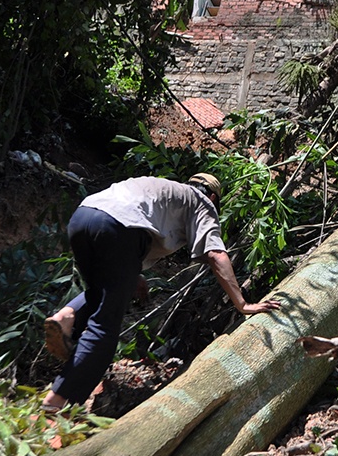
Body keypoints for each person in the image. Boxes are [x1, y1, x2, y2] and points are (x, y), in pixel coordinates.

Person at [40, 173, 281, 412]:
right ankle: (57, 402)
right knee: (105, 325)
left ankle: (66, 317)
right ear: (214, 196)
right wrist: (242, 303)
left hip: (83, 216)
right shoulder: (202, 202)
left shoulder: (166, 189)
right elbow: (216, 253)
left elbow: (124, 217)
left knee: (99, 294)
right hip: (118, 229)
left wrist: (133, 274)